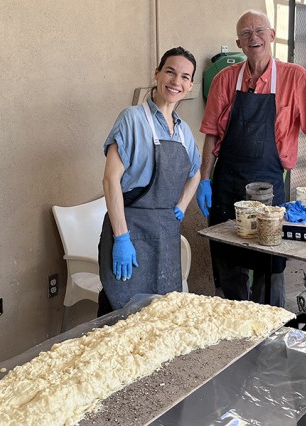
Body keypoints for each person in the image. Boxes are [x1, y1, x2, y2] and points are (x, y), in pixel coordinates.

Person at [196, 10, 306, 308]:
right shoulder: (224, 80)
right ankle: (235, 324)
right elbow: (211, 133)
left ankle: (271, 327)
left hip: (268, 186)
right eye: (246, 34)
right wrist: (204, 179)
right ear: (239, 42)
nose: (254, 38)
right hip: (226, 183)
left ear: (272, 35)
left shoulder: (295, 77)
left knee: (269, 261)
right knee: (227, 258)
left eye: (260, 31)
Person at [98, 46, 201, 312]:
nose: (176, 81)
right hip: (130, 230)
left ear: (190, 86)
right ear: (157, 74)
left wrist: (181, 205)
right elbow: (111, 181)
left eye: (185, 77)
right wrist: (121, 238)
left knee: (161, 313)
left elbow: (196, 172)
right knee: (120, 311)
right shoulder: (131, 119)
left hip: (165, 234)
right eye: (170, 72)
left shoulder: (182, 131)